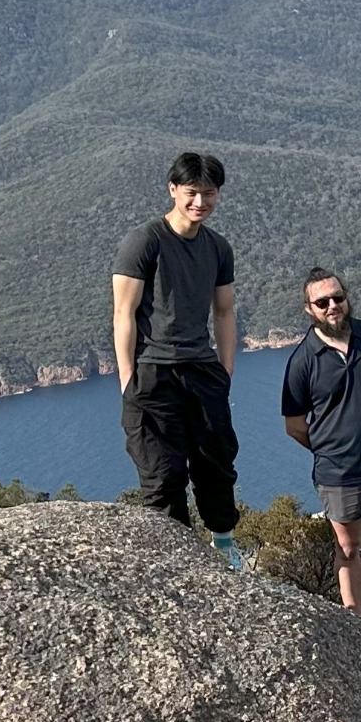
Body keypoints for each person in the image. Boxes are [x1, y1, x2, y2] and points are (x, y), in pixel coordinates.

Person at [112, 151, 240, 560]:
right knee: (162, 472)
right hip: (154, 371)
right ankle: (175, 556)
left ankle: (223, 544)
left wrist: (225, 372)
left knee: (215, 462)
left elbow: (223, 311)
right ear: (173, 190)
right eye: (191, 193)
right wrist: (128, 380)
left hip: (201, 370)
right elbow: (123, 312)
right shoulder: (144, 241)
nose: (200, 202)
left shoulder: (218, 248)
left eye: (209, 193)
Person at [279, 267, 361, 611]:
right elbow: (294, 425)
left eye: (338, 297)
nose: (332, 306)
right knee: (348, 548)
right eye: (322, 302)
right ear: (310, 309)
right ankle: (356, 617)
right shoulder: (302, 361)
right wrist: (329, 448)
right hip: (339, 474)